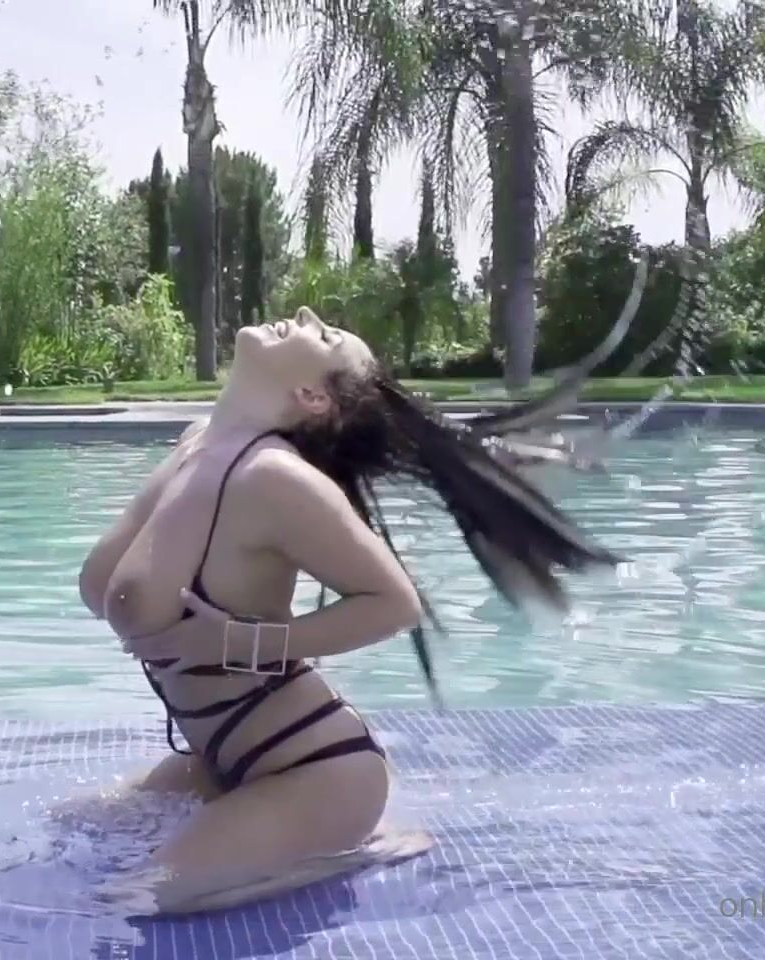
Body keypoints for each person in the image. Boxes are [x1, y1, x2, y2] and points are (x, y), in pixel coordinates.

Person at [74, 306, 622, 915]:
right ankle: (293, 841)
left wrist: (241, 643)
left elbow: (395, 602)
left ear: (312, 396)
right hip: (223, 755)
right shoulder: (198, 445)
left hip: (319, 772)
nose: (306, 314)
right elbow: (108, 588)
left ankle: (347, 851)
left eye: (326, 335)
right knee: (70, 829)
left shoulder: (272, 479)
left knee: (133, 900)